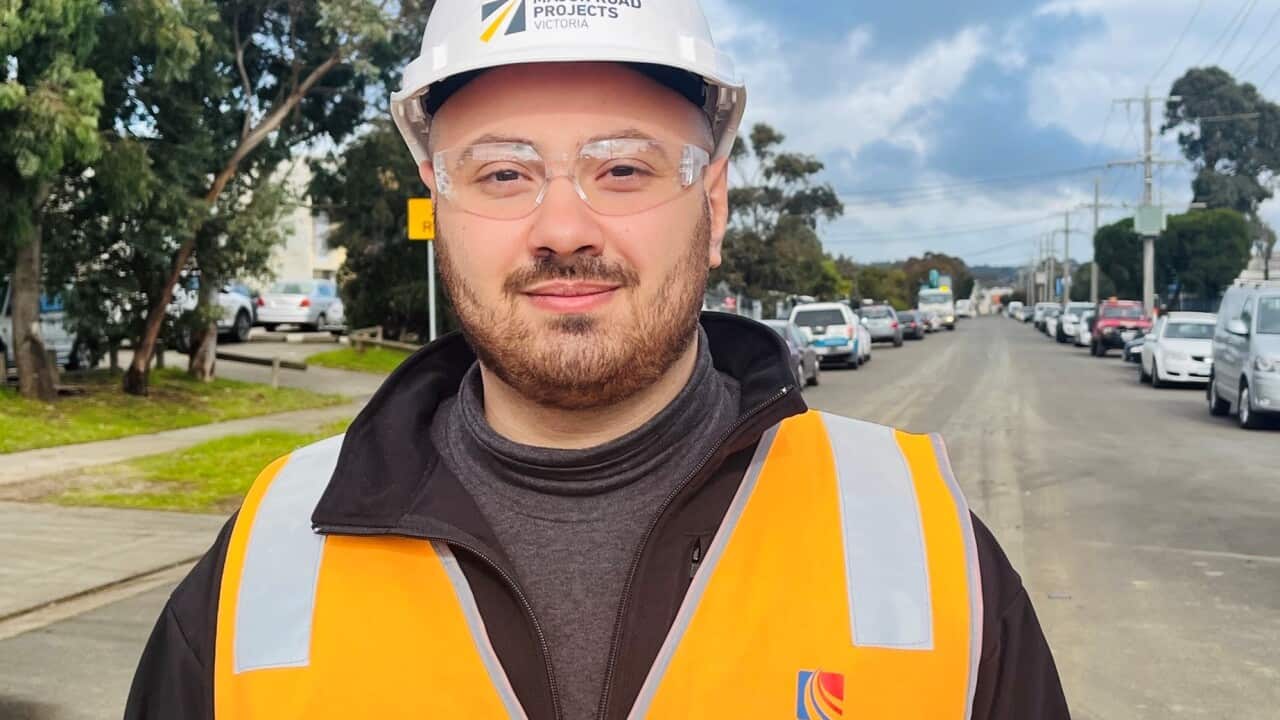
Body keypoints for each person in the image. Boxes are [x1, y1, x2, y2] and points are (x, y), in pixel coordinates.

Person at [125, 1, 1070, 717]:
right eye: (504, 173)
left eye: (623, 167)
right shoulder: (267, 563)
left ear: (714, 206)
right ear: (437, 207)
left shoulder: (920, 549)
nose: (564, 228)